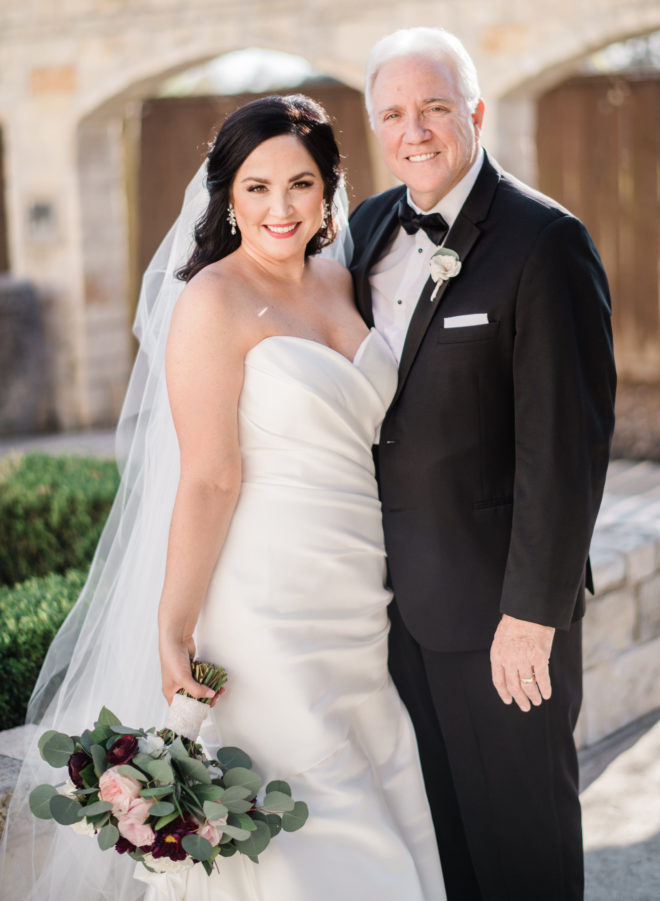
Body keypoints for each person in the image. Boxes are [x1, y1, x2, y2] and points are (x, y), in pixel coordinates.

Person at [0, 94, 445, 901]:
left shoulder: (344, 281)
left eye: (300, 184)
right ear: (228, 198)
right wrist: (172, 626)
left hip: (356, 585)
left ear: (330, 190)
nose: (281, 208)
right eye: (256, 187)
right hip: (264, 598)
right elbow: (209, 477)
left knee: (372, 769)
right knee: (306, 795)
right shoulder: (211, 301)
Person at [349, 27, 616, 901]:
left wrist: (531, 614)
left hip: (502, 619)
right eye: (393, 112)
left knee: (523, 846)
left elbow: (566, 447)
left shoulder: (545, 242)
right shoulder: (362, 232)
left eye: (433, 107)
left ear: (474, 111)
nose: (414, 130)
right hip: (388, 616)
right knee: (442, 851)